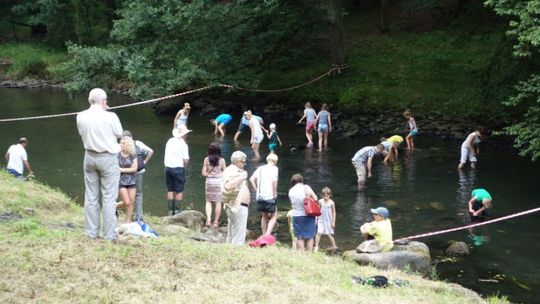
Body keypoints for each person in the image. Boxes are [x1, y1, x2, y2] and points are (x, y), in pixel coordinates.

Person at [76, 88, 123, 241]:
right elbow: (120, 134)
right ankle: (109, 235)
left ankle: (91, 233)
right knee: (109, 198)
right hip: (107, 158)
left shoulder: (80, 116)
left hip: (89, 156)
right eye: (106, 101)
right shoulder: (111, 116)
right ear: (103, 101)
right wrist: (107, 112)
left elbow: (82, 134)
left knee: (91, 197)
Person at [122, 130, 153, 222]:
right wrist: (144, 162)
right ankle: (139, 216)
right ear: (132, 137)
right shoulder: (138, 143)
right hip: (139, 171)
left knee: (127, 193)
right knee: (138, 194)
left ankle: (128, 215)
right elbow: (150, 151)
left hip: (127, 172)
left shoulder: (122, 144)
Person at [222, 151, 250, 245]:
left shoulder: (233, 170)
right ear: (238, 161)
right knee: (238, 236)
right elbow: (228, 186)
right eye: (243, 162)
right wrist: (241, 178)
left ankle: (229, 253)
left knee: (231, 235)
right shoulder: (231, 170)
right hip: (237, 206)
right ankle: (236, 255)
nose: (245, 164)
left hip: (236, 206)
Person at [249, 153, 279, 236]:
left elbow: (251, 179)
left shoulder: (260, 168)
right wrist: (274, 193)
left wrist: (256, 190)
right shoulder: (274, 168)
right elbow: (274, 182)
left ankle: (263, 234)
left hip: (260, 196)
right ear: (275, 161)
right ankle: (267, 235)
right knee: (274, 216)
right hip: (270, 196)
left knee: (264, 216)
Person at [164, 125, 191, 216]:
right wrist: (185, 168)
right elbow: (186, 160)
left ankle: (170, 212)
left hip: (168, 168)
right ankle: (177, 212)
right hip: (178, 168)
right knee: (179, 190)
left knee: (170, 189)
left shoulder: (169, 141)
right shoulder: (183, 144)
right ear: (184, 134)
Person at [288, 173, 318, 251]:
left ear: (293, 182)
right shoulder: (306, 187)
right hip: (309, 215)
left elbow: (292, 204)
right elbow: (315, 198)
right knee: (310, 236)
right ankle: (309, 255)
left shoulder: (290, 191)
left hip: (296, 216)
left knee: (299, 236)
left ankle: (301, 253)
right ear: (301, 180)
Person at [201, 143, 227, 227]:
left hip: (209, 182)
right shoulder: (222, 160)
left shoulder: (206, 159)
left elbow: (204, 173)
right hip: (219, 183)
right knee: (218, 202)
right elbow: (225, 173)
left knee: (208, 201)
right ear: (218, 151)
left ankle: (208, 220)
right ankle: (215, 222)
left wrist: (209, 172)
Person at [116, 136, 138, 223]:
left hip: (132, 181)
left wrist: (121, 170)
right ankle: (115, 206)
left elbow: (134, 169)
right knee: (127, 201)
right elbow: (114, 168)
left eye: (123, 143)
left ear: (128, 145)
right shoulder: (117, 154)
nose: (121, 144)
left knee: (132, 202)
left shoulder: (133, 155)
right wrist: (128, 170)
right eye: (120, 143)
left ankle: (127, 221)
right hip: (121, 181)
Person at [314, 187, 337, 252]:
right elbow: (318, 211)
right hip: (321, 219)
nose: (325, 197)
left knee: (329, 233)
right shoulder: (320, 201)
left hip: (328, 220)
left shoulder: (331, 203)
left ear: (330, 195)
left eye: (327, 196)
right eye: (324, 196)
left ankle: (334, 246)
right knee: (319, 232)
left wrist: (333, 222)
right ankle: (316, 246)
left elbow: (334, 212)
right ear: (322, 195)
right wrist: (316, 219)